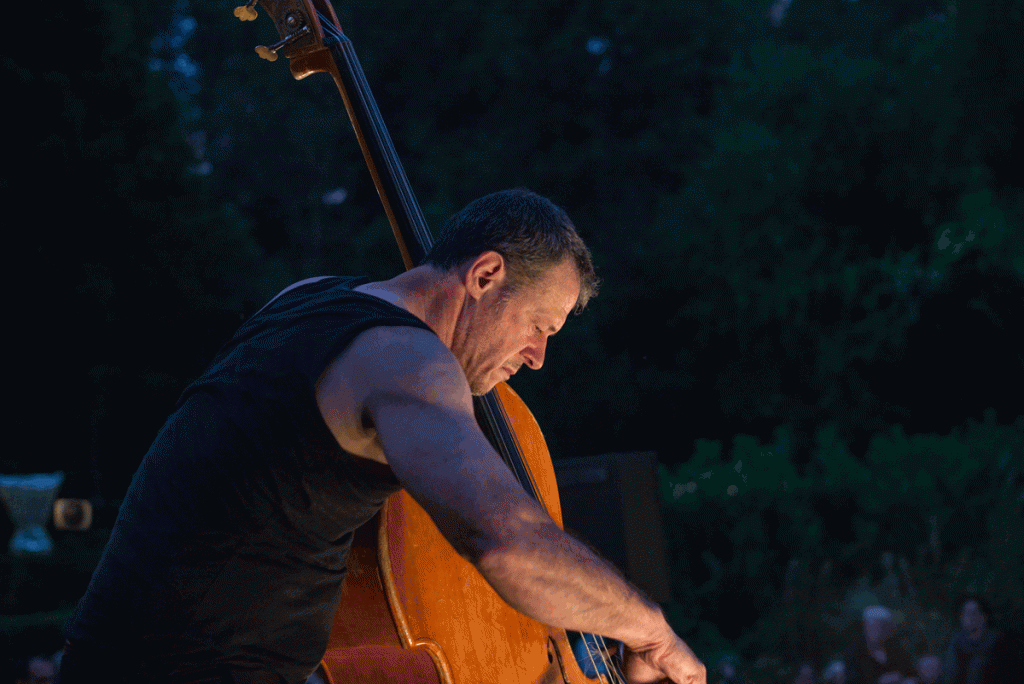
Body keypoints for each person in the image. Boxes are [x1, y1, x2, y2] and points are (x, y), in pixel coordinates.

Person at [58, 189, 705, 684]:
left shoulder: (307, 297)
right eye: (540, 325)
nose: (538, 357)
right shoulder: (404, 361)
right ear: (484, 276)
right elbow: (507, 542)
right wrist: (650, 629)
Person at [844, 605, 916, 684]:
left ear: (889, 629)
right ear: (865, 627)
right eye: (872, 627)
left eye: (881, 627)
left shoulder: (897, 649)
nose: (876, 631)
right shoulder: (855, 652)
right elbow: (852, 679)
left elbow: (910, 672)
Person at [943, 597, 998, 684]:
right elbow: (949, 673)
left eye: (973, 613)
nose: (969, 617)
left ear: (984, 617)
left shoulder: (996, 644)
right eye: (966, 613)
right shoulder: (955, 643)